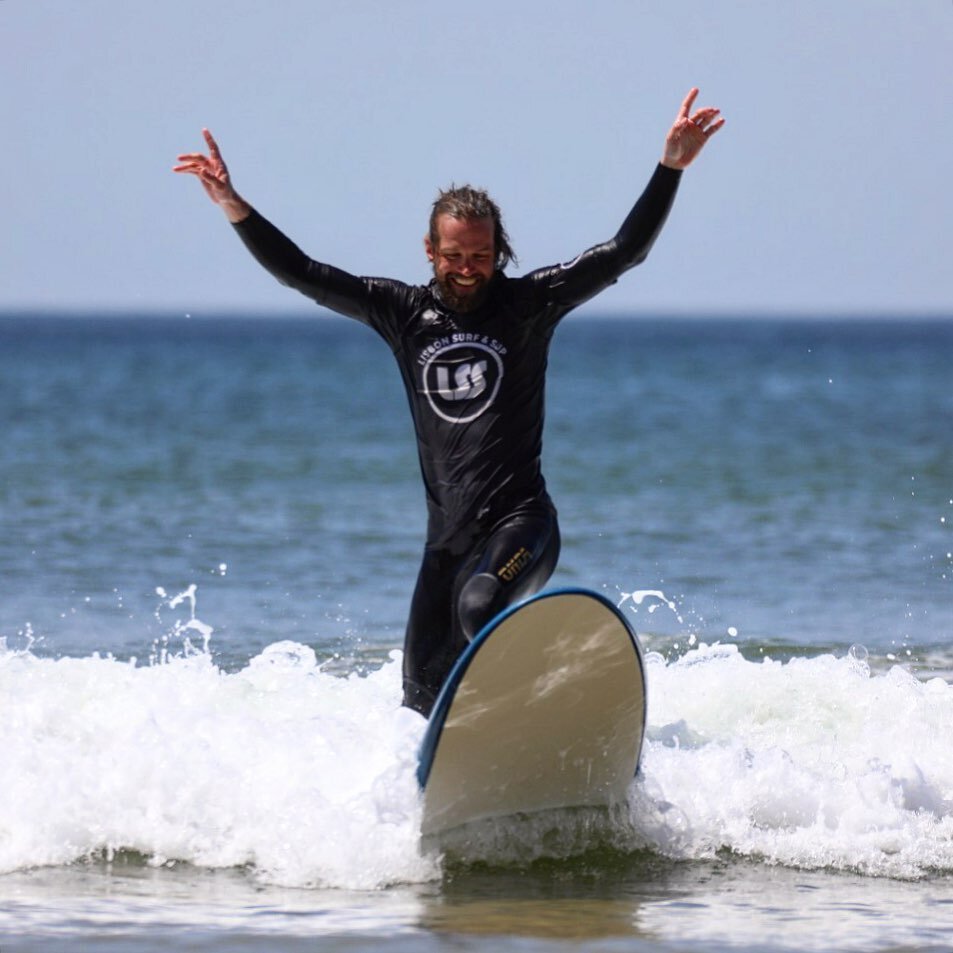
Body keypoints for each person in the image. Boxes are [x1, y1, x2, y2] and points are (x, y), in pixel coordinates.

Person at [174, 88, 723, 717]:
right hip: (446, 546)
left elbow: (624, 252)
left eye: (481, 257)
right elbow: (300, 271)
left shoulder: (528, 306)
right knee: (418, 698)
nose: (467, 269)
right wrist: (233, 207)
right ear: (430, 253)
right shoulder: (403, 313)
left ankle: (547, 708)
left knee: (480, 606)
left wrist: (669, 169)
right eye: (455, 256)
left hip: (522, 526)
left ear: (500, 254)